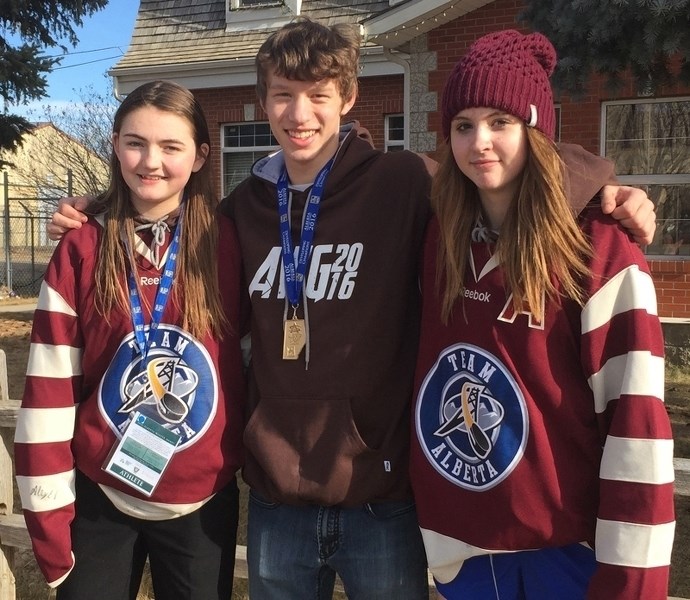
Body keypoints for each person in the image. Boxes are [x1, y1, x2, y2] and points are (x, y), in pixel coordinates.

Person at [47, 19, 659, 600]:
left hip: (380, 495)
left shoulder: (402, 183)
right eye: (283, 95)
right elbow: (165, 202)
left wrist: (597, 189)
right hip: (277, 498)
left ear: (349, 98)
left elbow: (492, 169)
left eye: (319, 94)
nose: (300, 113)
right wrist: (101, 208)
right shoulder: (242, 209)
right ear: (264, 103)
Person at [411, 30, 675, 599]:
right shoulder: (437, 238)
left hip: (568, 557)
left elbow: (638, 429)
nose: (480, 142)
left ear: (535, 129)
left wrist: (634, 583)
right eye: (463, 125)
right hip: (465, 553)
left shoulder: (599, 248)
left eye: (501, 122)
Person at [14, 80, 246, 600]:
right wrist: (48, 515)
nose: (151, 162)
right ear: (115, 144)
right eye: (136, 143)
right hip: (102, 496)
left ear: (202, 155)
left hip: (201, 502)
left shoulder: (230, 242)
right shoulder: (82, 247)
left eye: (171, 146)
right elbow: (49, 386)